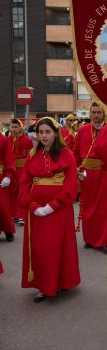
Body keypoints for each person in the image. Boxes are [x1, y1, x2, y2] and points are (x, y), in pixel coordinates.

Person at [19, 117, 80, 303]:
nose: (44, 136)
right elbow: (23, 183)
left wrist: (52, 206)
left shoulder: (67, 154)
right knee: (39, 248)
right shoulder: (32, 154)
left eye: (48, 132)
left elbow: (70, 186)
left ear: (55, 133)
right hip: (36, 212)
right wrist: (32, 206)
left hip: (59, 210)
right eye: (41, 132)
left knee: (57, 247)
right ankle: (43, 286)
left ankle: (59, 282)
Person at [73, 102, 107, 252]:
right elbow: (76, 153)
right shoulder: (82, 131)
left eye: (99, 112)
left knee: (104, 210)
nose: (96, 115)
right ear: (89, 114)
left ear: (104, 113)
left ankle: (103, 241)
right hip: (87, 176)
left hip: (104, 175)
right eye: (93, 112)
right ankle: (89, 239)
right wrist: (77, 169)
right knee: (88, 208)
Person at [7, 119, 33, 226]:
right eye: (12, 127)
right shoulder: (7, 140)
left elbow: (29, 156)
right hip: (10, 169)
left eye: (16, 127)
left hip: (22, 169)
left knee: (21, 192)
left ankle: (21, 215)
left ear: (20, 127)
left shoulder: (27, 140)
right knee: (11, 192)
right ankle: (13, 214)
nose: (13, 129)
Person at [0, 133, 16, 242]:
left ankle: (8, 230)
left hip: (1, 176)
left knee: (3, 205)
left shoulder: (3, 139)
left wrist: (8, 176)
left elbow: (9, 158)